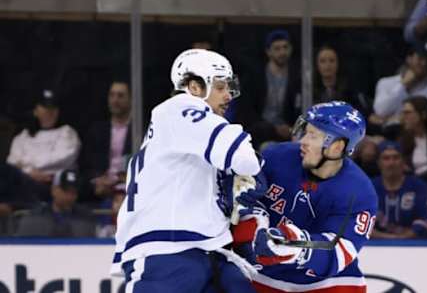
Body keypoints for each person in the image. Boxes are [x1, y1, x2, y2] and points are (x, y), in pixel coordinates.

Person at [111, 49, 265, 293]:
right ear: (194, 87)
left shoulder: (182, 134)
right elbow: (245, 160)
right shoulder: (178, 108)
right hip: (166, 251)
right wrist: (249, 172)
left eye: (229, 88)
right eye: (220, 87)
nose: (228, 96)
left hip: (202, 248)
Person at [234, 101, 378, 292]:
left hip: (328, 285)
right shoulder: (276, 157)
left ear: (336, 147)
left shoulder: (359, 193)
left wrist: (296, 247)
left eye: (313, 136)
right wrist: (253, 218)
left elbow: (339, 252)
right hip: (262, 275)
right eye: (305, 132)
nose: (303, 141)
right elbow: (244, 198)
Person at [7, 89, 81, 201]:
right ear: (36, 111)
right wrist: (29, 172)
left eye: (53, 108)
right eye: (45, 108)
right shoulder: (23, 136)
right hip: (24, 184)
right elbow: (11, 162)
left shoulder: (67, 133)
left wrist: (25, 166)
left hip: (54, 185)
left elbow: (61, 160)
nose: (50, 112)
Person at [236, 29, 301, 148]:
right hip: (260, 132)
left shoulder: (297, 77)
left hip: (289, 133)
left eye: (285, 47)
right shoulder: (255, 77)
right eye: (277, 48)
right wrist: (273, 128)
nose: (282, 52)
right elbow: (247, 111)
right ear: (268, 52)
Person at [371, 141, 427, 240]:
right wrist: (390, 238)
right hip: (375, 247)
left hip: (413, 247)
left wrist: (403, 239)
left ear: (403, 161)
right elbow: (357, 223)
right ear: (378, 162)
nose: (391, 163)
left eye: (396, 157)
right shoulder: (368, 188)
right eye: (386, 158)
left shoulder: (419, 187)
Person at [82, 81, 132, 201]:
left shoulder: (140, 130)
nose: (115, 100)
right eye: (112, 95)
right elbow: (86, 164)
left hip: (129, 191)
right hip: (101, 191)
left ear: (131, 99)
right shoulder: (97, 130)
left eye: (120, 96)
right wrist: (97, 180)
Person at [15, 169, 96, 237]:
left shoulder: (85, 216)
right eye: (65, 191)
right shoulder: (36, 215)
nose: (69, 196)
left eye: (74, 192)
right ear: (54, 190)